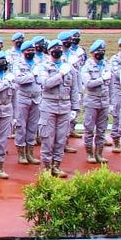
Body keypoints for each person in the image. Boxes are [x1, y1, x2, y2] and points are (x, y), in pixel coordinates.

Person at [36, 39, 74, 178]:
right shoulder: (43, 67)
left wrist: (75, 108)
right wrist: (61, 74)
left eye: (60, 47)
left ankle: (57, 166)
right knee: (48, 137)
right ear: (49, 50)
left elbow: (75, 89)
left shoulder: (69, 67)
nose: (58, 50)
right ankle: (46, 167)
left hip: (65, 106)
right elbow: (46, 84)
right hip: (49, 105)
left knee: (61, 138)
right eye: (55, 47)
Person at [80, 40, 112, 164]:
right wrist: (101, 79)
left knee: (102, 129)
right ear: (93, 53)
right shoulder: (87, 67)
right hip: (92, 100)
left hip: (104, 100)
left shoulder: (106, 65)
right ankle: (89, 153)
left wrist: (112, 102)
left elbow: (111, 85)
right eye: (98, 51)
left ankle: (99, 154)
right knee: (89, 128)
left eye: (103, 51)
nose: (101, 53)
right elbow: (88, 84)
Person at [12, 42, 43, 166]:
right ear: (23, 52)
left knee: (33, 126)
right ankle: (21, 153)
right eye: (28, 50)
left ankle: (30, 152)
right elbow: (18, 79)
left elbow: (42, 80)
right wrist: (32, 75)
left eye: (32, 50)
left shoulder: (38, 63)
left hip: (36, 98)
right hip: (23, 98)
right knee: (21, 126)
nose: (31, 52)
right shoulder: (18, 64)